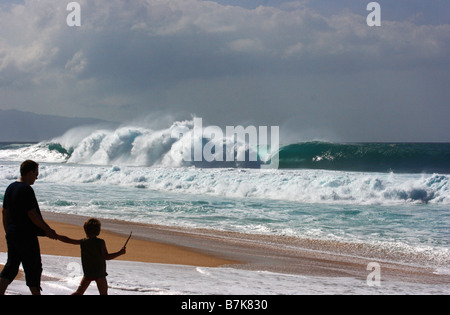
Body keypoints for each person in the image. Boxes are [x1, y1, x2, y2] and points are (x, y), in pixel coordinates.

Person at [0, 160, 58, 295]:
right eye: (36, 174)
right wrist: (48, 230)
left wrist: (7, 230)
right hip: (26, 235)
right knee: (33, 268)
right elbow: (32, 214)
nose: (37, 177)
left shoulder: (10, 187)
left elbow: (4, 212)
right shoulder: (26, 189)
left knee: (11, 267)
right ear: (30, 172)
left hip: (12, 233)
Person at [57, 218, 126, 295]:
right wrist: (120, 252)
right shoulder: (100, 242)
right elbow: (106, 257)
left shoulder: (83, 242)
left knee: (79, 292)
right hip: (100, 273)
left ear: (85, 230)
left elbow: (68, 240)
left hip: (88, 272)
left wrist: (56, 236)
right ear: (98, 230)